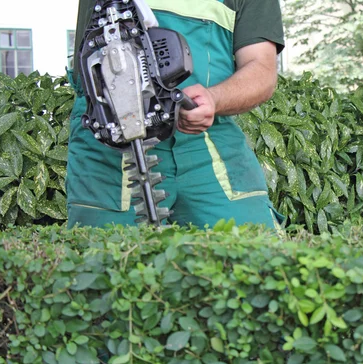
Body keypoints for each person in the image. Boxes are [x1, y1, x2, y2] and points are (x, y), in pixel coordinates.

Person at [66, 0, 285, 229]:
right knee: (102, 254)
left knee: (253, 248)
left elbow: (261, 69)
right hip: (110, 135)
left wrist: (214, 98)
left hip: (208, 139)